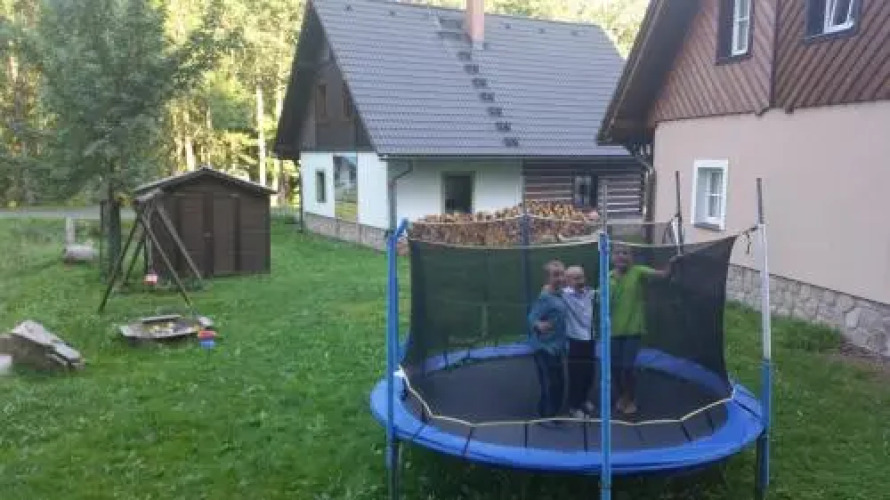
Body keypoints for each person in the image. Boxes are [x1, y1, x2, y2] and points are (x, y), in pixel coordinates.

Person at [609, 244, 677, 415]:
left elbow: (663, 275)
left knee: (627, 367)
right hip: (614, 331)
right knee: (614, 367)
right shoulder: (608, 277)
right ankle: (622, 396)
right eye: (618, 253)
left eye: (626, 253)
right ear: (611, 257)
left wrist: (672, 264)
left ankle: (631, 398)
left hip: (633, 329)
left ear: (632, 258)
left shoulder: (638, 271)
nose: (621, 256)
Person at [527, 260, 568, 420]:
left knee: (559, 382)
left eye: (562, 274)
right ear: (548, 278)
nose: (560, 278)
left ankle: (555, 414)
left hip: (557, 347)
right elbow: (531, 317)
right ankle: (546, 415)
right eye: (555, 275)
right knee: (550, 383)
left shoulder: (561, 294)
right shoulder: (545, 298)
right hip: (544, 347)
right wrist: (538, 324)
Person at [562, 266, 596, 419]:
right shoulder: (564, 294)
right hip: (575, 341)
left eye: (581, 277)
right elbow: (550, 290)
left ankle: (583, 399)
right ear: (567, 281)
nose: (580, 281)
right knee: (576, 375)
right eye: (575, 278)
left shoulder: (590, 293)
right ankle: (573, 406)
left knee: (589, 374)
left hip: (590, 339)